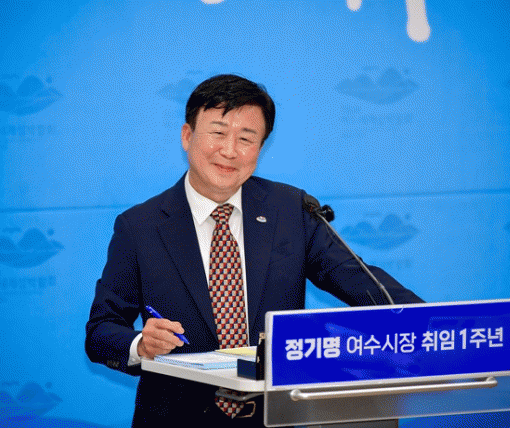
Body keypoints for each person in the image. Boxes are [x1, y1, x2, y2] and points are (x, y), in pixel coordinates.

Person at [85, 74, 423, 427]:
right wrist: (141, 344)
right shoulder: (140, 226)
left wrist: (431, 327)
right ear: (187, 136)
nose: (230, 151)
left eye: (246, 138)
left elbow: (362, 282)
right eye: (218, 133)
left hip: (272, 419)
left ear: (260, 148)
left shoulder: (290, 210)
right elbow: (101, 330)